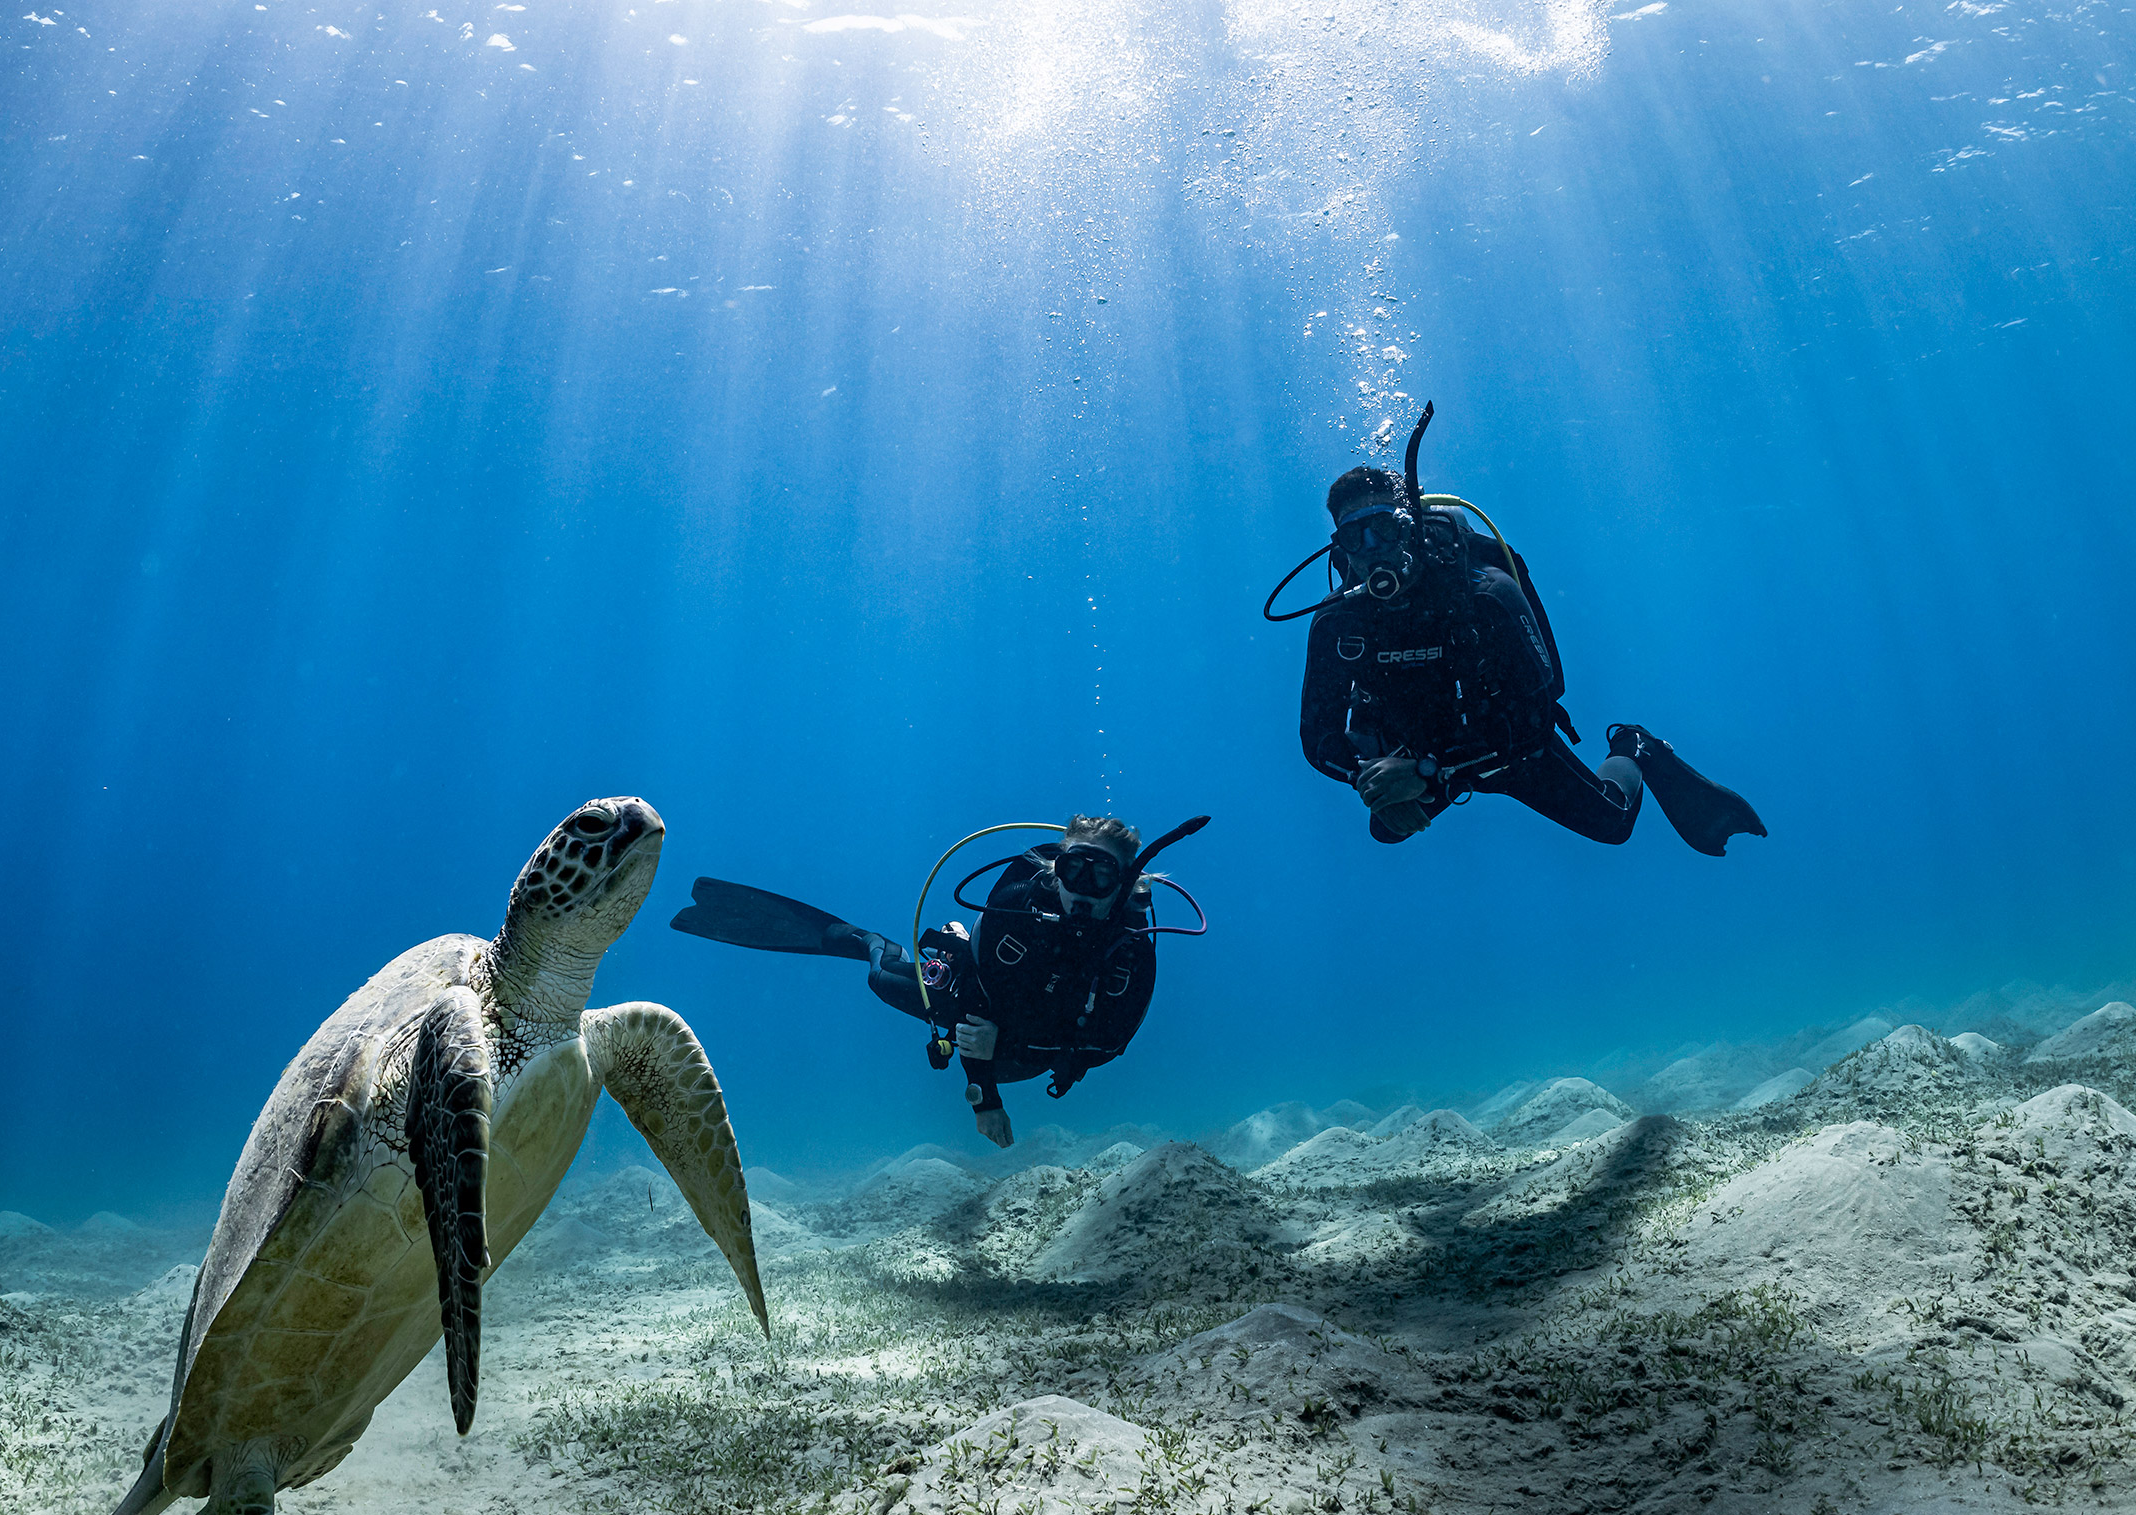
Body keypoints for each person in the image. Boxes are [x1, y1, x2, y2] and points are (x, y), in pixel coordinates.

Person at [1269, 403, 1766, 854]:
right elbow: (1318, 736)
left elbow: (1533, 721)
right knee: (1386, 829)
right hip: (1418, 756)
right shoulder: (1337, 622)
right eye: (1354, 537)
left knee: (1613, 823)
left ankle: (1637, 747)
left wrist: (1425, 774)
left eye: (1384, 528)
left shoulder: (1484, 592)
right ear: (1339, 547)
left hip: (1505, 744)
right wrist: (1368, 778)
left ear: (1410, 526)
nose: (1372, 548)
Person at [670, 814, 1206, 1148]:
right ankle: (865, 939)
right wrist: (985, 1101)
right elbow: (972, 1015)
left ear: (1125, 884)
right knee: (883, 980)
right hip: (981, 1007)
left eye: (1103, 876)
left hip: (1031, 1050)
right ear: (1055, 872)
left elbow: (1112, 1042)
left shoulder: (1132, 954)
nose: (1083, 890)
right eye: (1074, 871)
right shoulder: (1014, 913)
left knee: (1007, 1046)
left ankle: (971, 986)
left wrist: (1040, 1049)